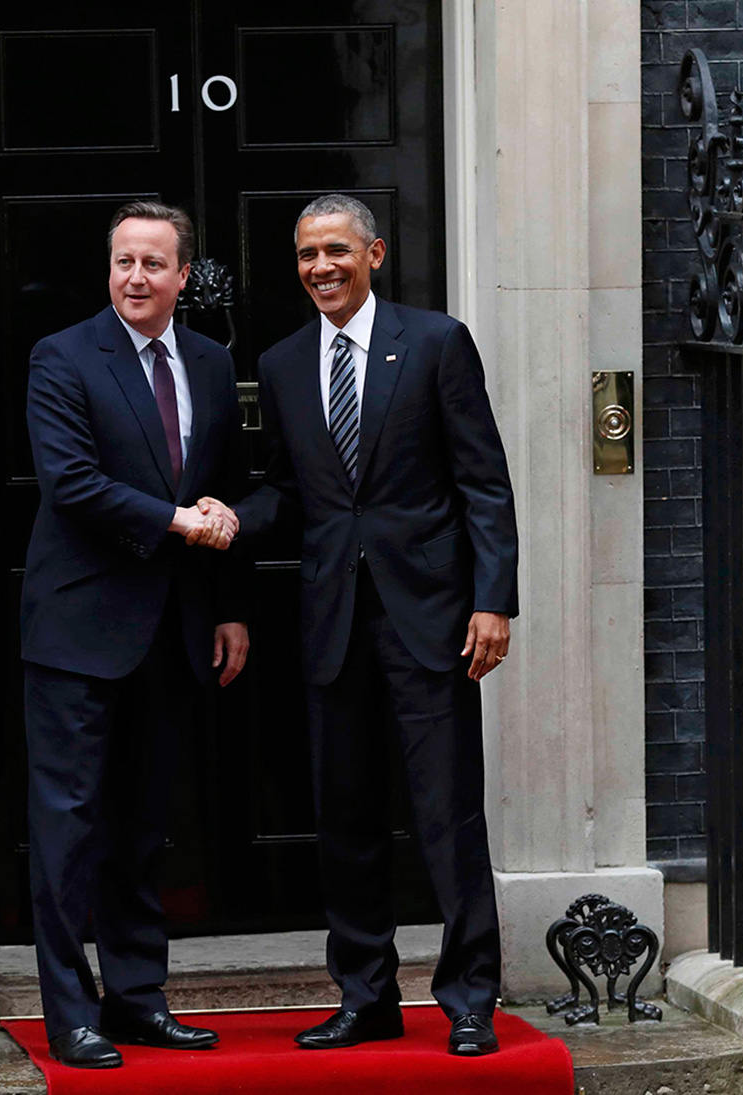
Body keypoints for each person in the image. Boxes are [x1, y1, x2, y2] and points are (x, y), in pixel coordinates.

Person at [199, 193, 517, 1057]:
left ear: (374, 254)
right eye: (307, 254)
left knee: (448, 817)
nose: (321, 268)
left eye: (336, 250)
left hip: (431, 620)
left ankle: (470, 999)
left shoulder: (437, 342)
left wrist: (495, 599)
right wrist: (228, 513)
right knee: (344, 820)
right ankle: (366, 995)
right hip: (332, 623)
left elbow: (483, 481)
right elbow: (294, 494)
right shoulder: (286, 358)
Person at [21, 200, 247, 1069]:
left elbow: (223, 486)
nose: (136, 278)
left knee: (145, 827)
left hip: (175, 630)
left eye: (154, 264)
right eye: (123, 262)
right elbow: (71, 483)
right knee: (68, 830)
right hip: (78, 631)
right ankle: (68, 1012)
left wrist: (228, 605)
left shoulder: (215, 364)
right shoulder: (63, 356)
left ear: (183, 276)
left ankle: (138, 999)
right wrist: (179, 523)